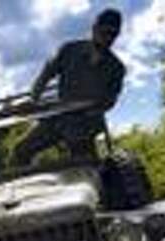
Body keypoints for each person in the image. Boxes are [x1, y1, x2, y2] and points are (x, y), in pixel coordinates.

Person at [12, 8, 126, 166]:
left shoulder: (117, 68)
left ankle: (90, 170)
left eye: (113, 35)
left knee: (88, 169)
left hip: (86, 127)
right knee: (21, 151)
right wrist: (33, 99)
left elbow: (110, 101)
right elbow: (45, 75)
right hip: (57, 120)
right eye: (105, 32)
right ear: (94, 29)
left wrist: (89, 109)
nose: (108, 38)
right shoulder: (69, 50)